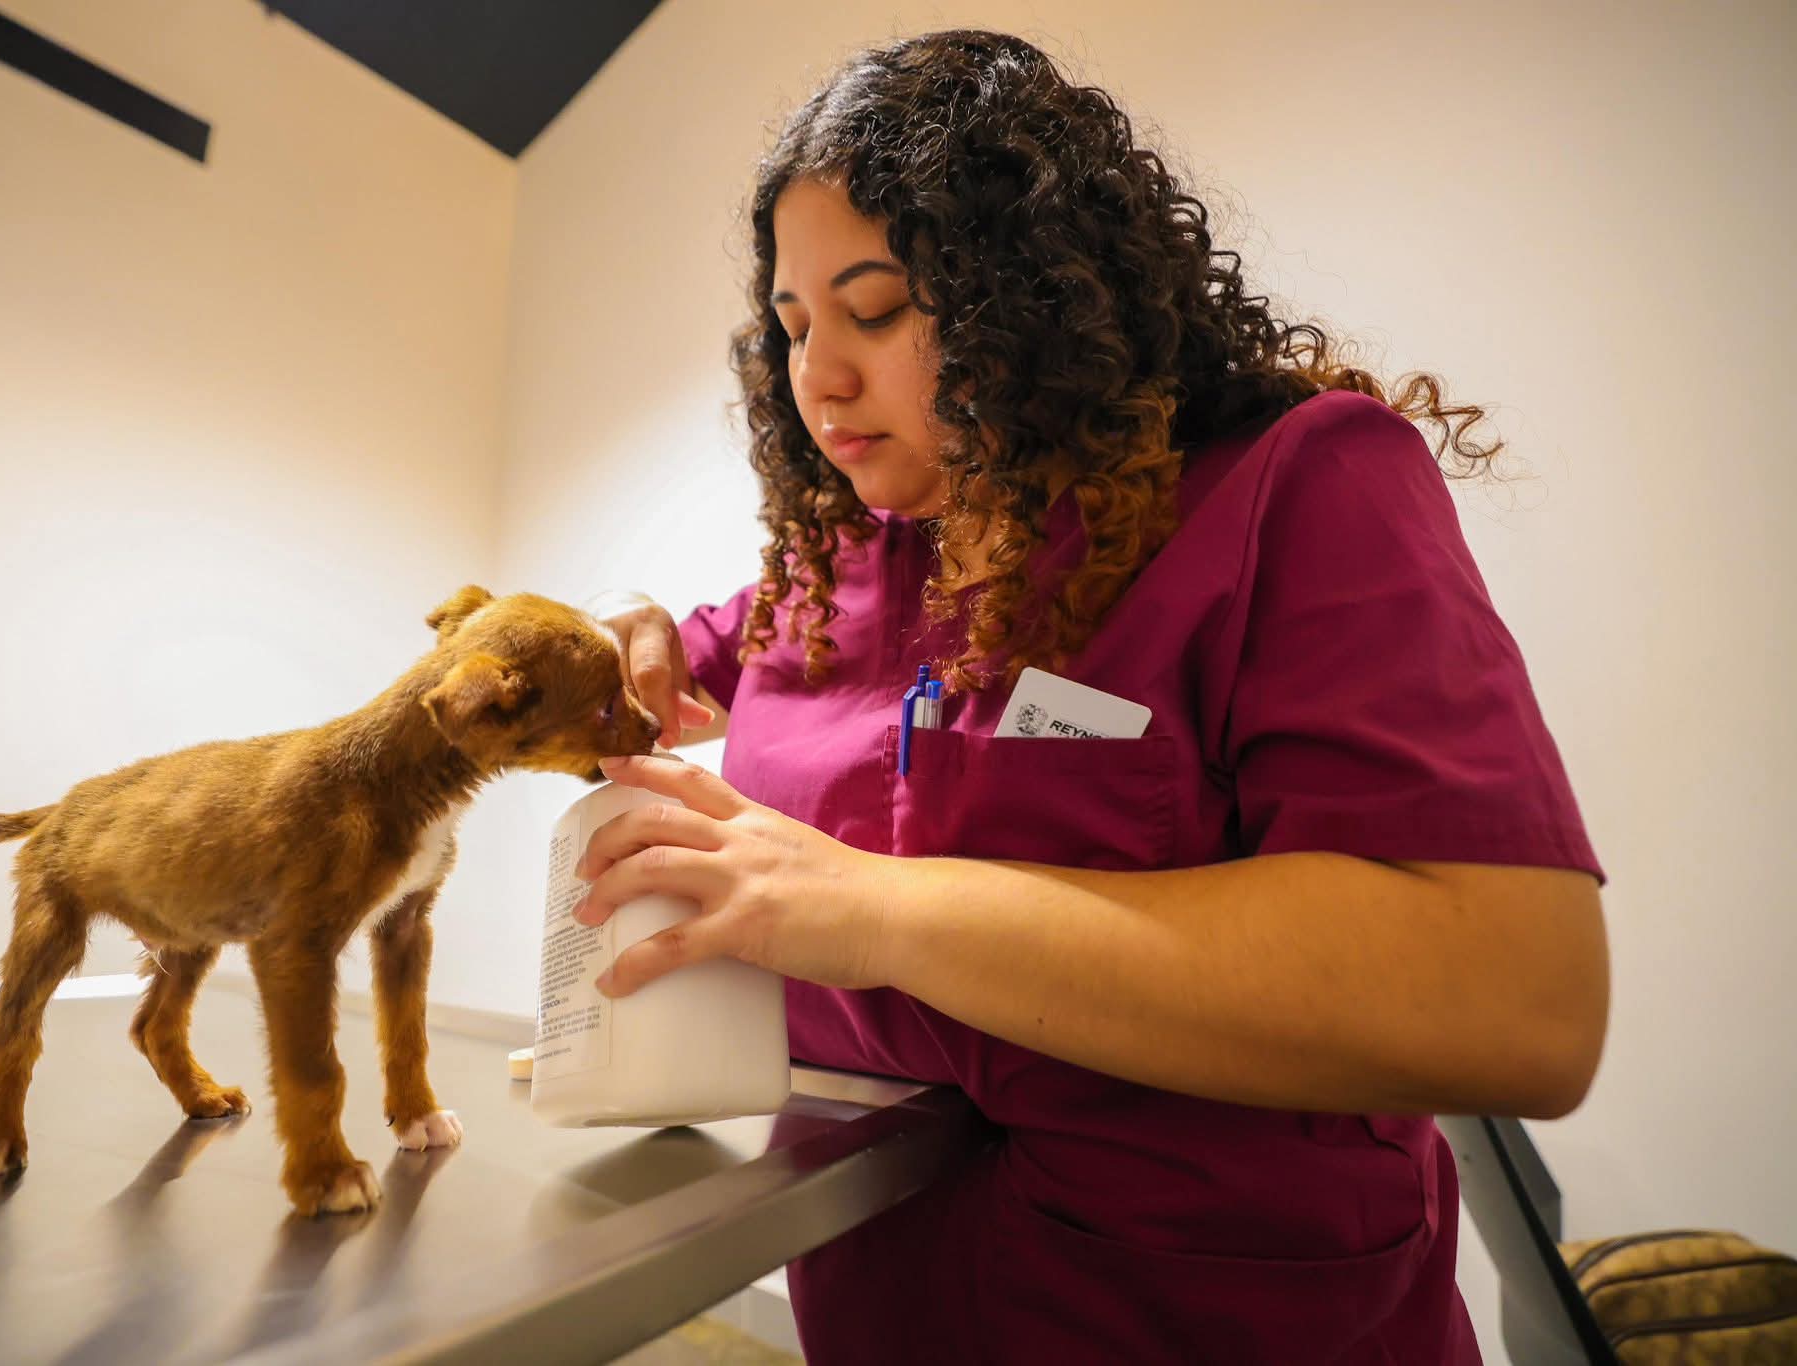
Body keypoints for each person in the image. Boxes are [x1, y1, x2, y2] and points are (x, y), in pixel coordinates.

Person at [573, 29, 1607, 1365]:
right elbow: (679, 658)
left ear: (1026, 292)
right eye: (793, 325)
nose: (817, 375)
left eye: (874, 309)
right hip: (875, 1309)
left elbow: (1518, 997)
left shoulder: (1294, 483)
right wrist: (626, 623)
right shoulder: (846, 567)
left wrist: (873, 908)